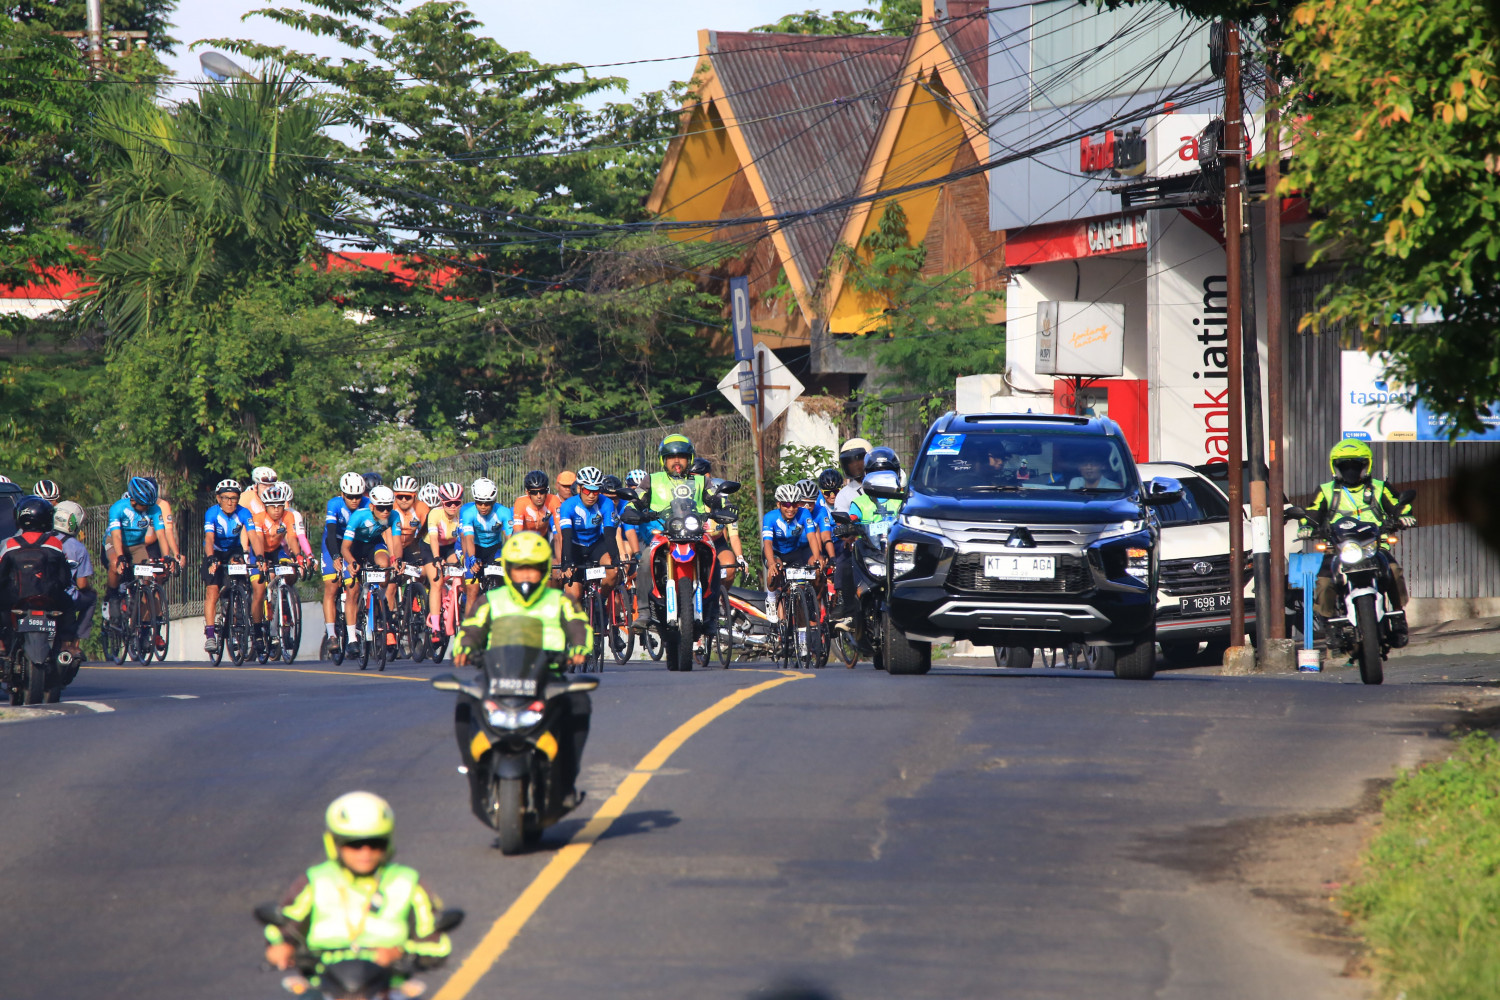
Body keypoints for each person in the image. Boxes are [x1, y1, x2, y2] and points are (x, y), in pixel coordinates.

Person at [452, 532, 591, 815]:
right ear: (507, 569)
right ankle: (475, 773)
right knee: (465, 701)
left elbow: (578, 624)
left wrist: (579, 647)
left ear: (544, 569)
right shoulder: (491, 600)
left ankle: (566, 781)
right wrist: (465, 647)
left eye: (533, 568)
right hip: (496, 677)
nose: (526, 575)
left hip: (548, 679)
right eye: (519, 568)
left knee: (579, 703)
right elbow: (472, 628)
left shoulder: (560, 600)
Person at [262, 792, 452, 984]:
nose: (365, 852)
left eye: (376, 843)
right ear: (334, 843)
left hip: (388, 987)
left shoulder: (408, 882)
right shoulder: (314, 882)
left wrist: (398, 953)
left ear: (388, 843)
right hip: (324, 986)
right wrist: (281, 948)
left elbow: (437, 947)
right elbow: (282, 932)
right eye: (354, 844)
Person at [1299, 439, 1416, 646]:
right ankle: (1329, 625)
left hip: (1374, 548)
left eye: (1356, 465)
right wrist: (1306, 526)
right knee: (1324, 583)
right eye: (1345, 466)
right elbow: (1312, 512)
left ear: (1366, 466)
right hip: (1339, 550)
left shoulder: (1379, 487)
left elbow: (1398, 505)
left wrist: (1404, 516)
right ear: (1335, 467)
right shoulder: (1326, 490)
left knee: (1394, 572)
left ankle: (1398, 617)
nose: (1351, 471)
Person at [631, 435, 716, 632]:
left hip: (695, 533)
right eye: (671, 457)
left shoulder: (701, 481)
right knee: (646, 558)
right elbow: (636, 499)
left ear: (690, 459)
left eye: (682, 457)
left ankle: (712, 615)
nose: (676, 461)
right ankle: (644, 612)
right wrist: (631, 509)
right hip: (662, 532)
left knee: (714, 557)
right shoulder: (652, 480)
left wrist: (725, 506)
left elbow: (716, 497)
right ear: (663, 460)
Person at [0, 497, 77, 657]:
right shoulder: (55, 543)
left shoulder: (10, 544)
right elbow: (65, 577)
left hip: (16, 598)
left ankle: (1, 643)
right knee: (68, 604)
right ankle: (66, 645)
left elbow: (1, 576)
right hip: (49, 598)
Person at [340, 486, 405, 660]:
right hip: (354, 548)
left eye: (388, 507)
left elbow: (397, 542)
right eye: (381, 508)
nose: (385, 512)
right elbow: (345, 547)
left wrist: (398, 560)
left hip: (374, 545)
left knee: (385, 565)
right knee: (353, 590)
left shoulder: (394, 516)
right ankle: (352, 638)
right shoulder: (358, 516)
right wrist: (351, 563)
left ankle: (378, 600)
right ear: (372, 506)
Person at [252, 483, 309, 654]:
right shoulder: (258, 518)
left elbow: (292, 538)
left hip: (276, 551)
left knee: (289, 571)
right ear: (265, 506)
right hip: (259, 551)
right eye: (272, 506)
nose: (277, 510)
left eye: (280, 505)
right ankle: (257, 633)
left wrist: (298, 556)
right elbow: (258, 540)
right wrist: (261, 559)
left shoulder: (288, 516)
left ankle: (283, 606)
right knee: (259, 591)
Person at [203, 479, 258, 654]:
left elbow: (253, 536)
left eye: (234, 498)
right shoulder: (212, 513)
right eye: (226, 498)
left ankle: (236, 620)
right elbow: (209, 538)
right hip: (215, 551)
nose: (230, 502)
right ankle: (210, 635)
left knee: (240, 585)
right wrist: (211, 558)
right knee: (212, 590)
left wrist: (260, 556)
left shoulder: (244, 512)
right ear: (218, 498)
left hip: (234, 551)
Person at [104, 477, 163, 626]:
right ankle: (113, 597)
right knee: (115, 563)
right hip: (117, 541)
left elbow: (161, 534)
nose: (147, 508)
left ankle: (143, 628)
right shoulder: (118, 508)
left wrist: (167, 556)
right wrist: (120, 557)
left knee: (147, 578)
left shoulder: (153, 509)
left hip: (137, 545)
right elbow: (116, 535)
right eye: (144, 505)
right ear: (134, 501)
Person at [762, 483, 822, 625]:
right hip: (775, 553)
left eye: (795, 504)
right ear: (779, 504)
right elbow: (768, 543)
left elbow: (812, 537)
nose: (791, 509)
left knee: (801, 588)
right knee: (775, 571)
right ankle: (771, 599)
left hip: (794, 553)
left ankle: (801, 625)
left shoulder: (804, 514)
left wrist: (817, 557)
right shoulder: (770, 517)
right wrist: (771, 563)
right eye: (787, 504)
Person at [556, 466, 619, 602]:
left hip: (596, 544)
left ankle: (601, 601)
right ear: (579, 488)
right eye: (587, 490)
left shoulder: (606, 503)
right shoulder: (568, 506)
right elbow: (566, 536)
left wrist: (615, 558)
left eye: (595, 491)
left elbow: (609, 534)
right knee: (574, 596)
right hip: (575, 547)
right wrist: (566, 562)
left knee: (613, 571)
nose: (591, 496)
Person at [321, 473, 369, 649]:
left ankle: (352, 639)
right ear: (343, 494)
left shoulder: (367, 504)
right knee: (332, 586)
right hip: (333, 543)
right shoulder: (334, 504)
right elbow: (331, 532)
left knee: (353, 588)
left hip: (353, 544)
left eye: (358, 496)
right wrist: (335, 556)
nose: (354, 500)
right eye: (350, 496)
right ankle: (332, 635)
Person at [460, 477, 513, 612]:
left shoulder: (504, 512)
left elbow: (510, 538)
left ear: (494, 501)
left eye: (487, 503)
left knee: (504, 584)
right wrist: (472, 558)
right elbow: (469, 538)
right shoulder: (468, 513)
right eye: (479, 502)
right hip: (475, 549)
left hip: (495, 549)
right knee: (472, 591)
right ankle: (469, 624)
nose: (483, 507)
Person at [52, 500, 95, 653]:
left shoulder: (43, 539)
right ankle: (74, 644)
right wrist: (90, 588)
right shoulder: (78, 548)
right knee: (91, 598)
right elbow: (82, 584)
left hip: (38, 591)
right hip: (66, 597)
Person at [697, 459, 745, 589]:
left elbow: (734, 536)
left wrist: (740, 558)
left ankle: (723, 596)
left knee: (729, 567)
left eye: (725, 498)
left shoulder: (727, 507)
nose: (722, 501)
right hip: (698, 542)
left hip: (718, 542)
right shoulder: (698, 504)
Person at [425, 482, 466, 631]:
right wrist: (436, 558)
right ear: (442, 502)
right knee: (436, 581)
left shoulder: (463, 514)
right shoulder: (435, 514)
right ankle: (435, 626)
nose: (453, 506)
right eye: (449, 503)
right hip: (431, 547)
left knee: (462, 568)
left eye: (457, 503)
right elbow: (433, 538)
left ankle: (459, 599)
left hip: (450, 547)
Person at [512, 470, 561, 539]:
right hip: (524, 537)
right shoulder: (521, 503)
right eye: (534, 492)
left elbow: (559, 530)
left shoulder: (553, 500)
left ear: (547, 491)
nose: (539, 496)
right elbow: (517, 531)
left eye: (542, 491)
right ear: (527, 493)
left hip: (543, 536)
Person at [833, 437, 874, 513]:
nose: (855, 465)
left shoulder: (883, 485)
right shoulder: (844, 494)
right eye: (850, 462)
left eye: (859, 460)